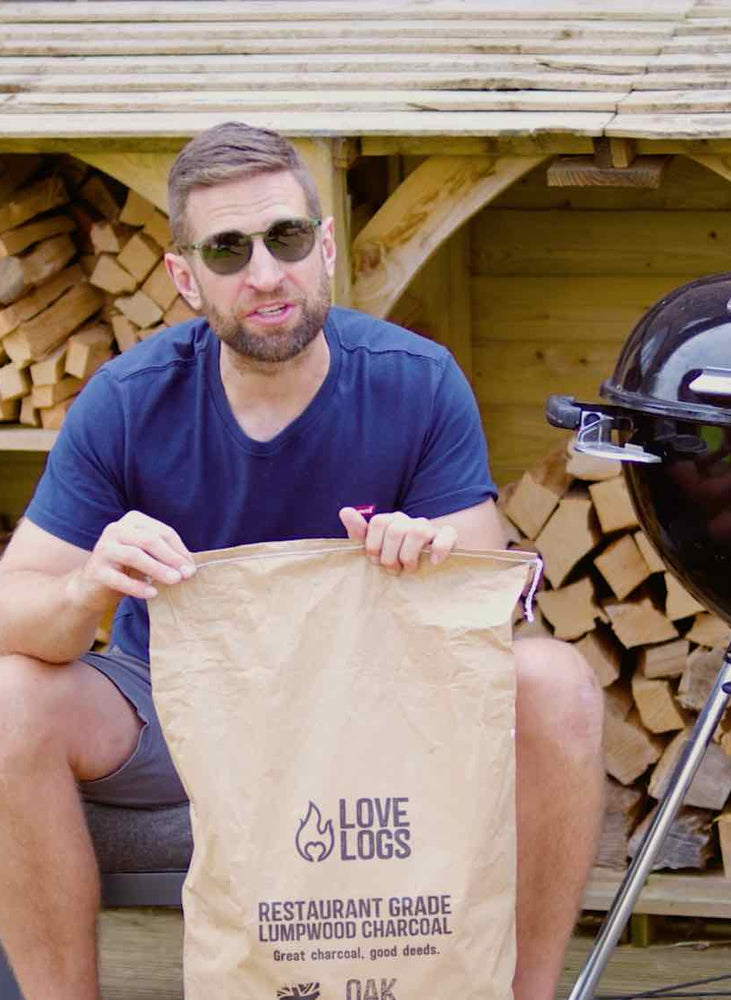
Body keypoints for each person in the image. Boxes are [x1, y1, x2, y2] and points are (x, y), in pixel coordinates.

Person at [0, 122, 604, 1000]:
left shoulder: (415, 379)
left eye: (285, 239)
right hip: (175, 717)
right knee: (9, 698)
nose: (265, 273)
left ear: (323, 248)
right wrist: (90, 583)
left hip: (377, 719)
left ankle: (526, 995)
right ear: (183, 275)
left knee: (554, 682)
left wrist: (433, 559)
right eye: (228, 249)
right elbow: (12, 607)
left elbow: (500, 613)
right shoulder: (125, 402)